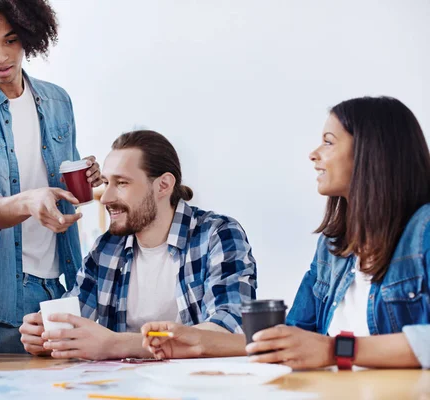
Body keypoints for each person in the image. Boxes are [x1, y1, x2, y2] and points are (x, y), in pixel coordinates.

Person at [142, 97, 430, 370]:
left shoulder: (424, 229)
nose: (313, 154)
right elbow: (293, 336)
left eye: (328, 142)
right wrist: (198, 343)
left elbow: (324, 347)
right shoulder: (334, 248)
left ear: (372, 152)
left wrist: (334, 350)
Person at [0, 0, 102, 353]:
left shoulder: (57, 101)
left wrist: (87, 176)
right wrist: (30, 200)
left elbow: (61, 182)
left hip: (62, 286)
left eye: (10, 40)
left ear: (27, 35)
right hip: (4, 299)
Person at [19, 130, 257, 360]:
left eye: (121, 183)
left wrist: (117, 345)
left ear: (163, 185)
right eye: (106, 182)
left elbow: (230, 329)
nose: (107, 197)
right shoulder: (107, 248)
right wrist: (46, 333)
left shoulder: (218, 235)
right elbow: (70, 322)